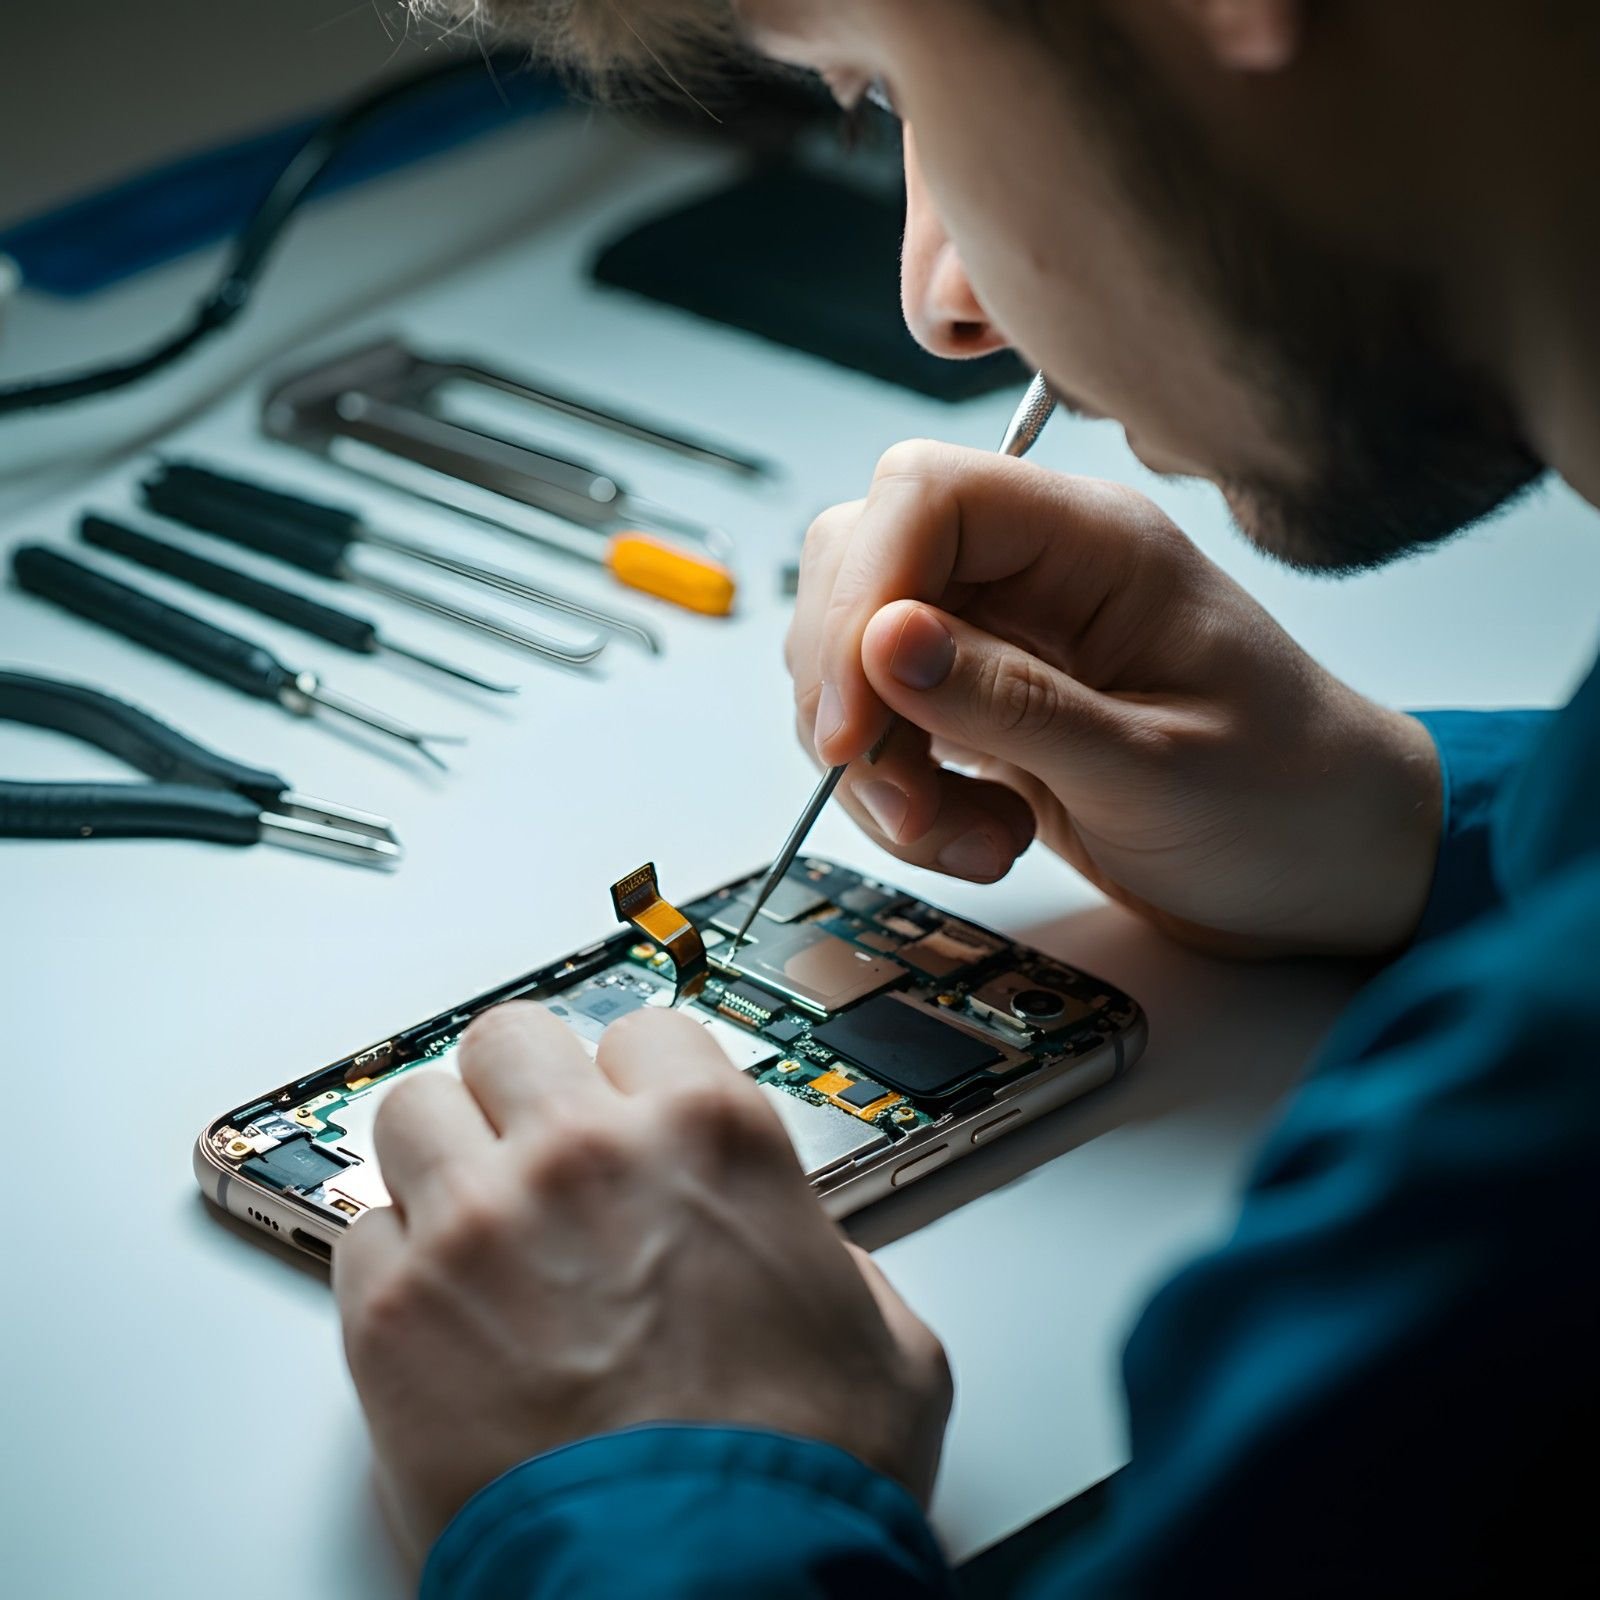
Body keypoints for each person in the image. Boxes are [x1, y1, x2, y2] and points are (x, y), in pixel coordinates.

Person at [334, 3, 1600, 1593]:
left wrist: (658, 1481)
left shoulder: (1517, 1187)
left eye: (888, 83)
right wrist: (1427, 826)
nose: (940, 303)